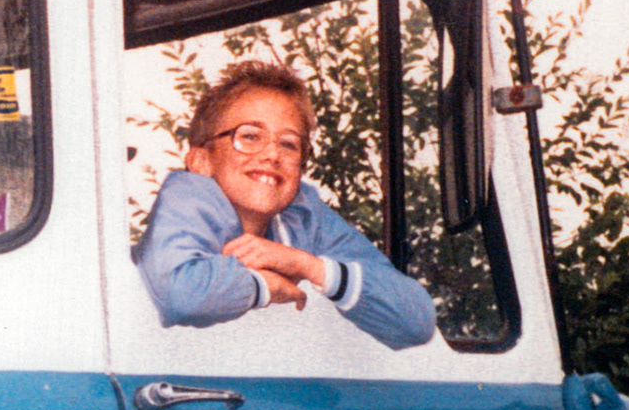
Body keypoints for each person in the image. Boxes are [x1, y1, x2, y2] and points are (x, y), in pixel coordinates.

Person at [136, 61, 435, 351]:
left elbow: (417, 321)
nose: (272, 154)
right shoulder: (187, 194)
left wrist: (306, 265)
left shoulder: (303, 215)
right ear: (200, 162)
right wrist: (264, 286)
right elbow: (179, 292)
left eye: (289, 144)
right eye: (250, 136)